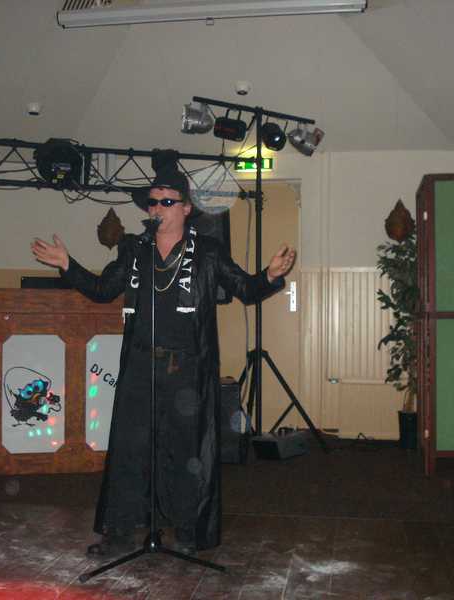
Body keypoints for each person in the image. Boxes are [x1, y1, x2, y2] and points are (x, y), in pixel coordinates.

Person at [30, 167, 296, 557]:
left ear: (186, 208)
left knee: (186, 452)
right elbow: (103, 289)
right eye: (153, 202)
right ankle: (120, 531)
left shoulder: (208, 251)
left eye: (167, 201)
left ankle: (187, 530)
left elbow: (244, 288)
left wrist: (269, 275)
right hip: (140, 366)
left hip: (186, 369)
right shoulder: (135, 249)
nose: (158, 208)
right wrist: (68, 264)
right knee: (131, 449)